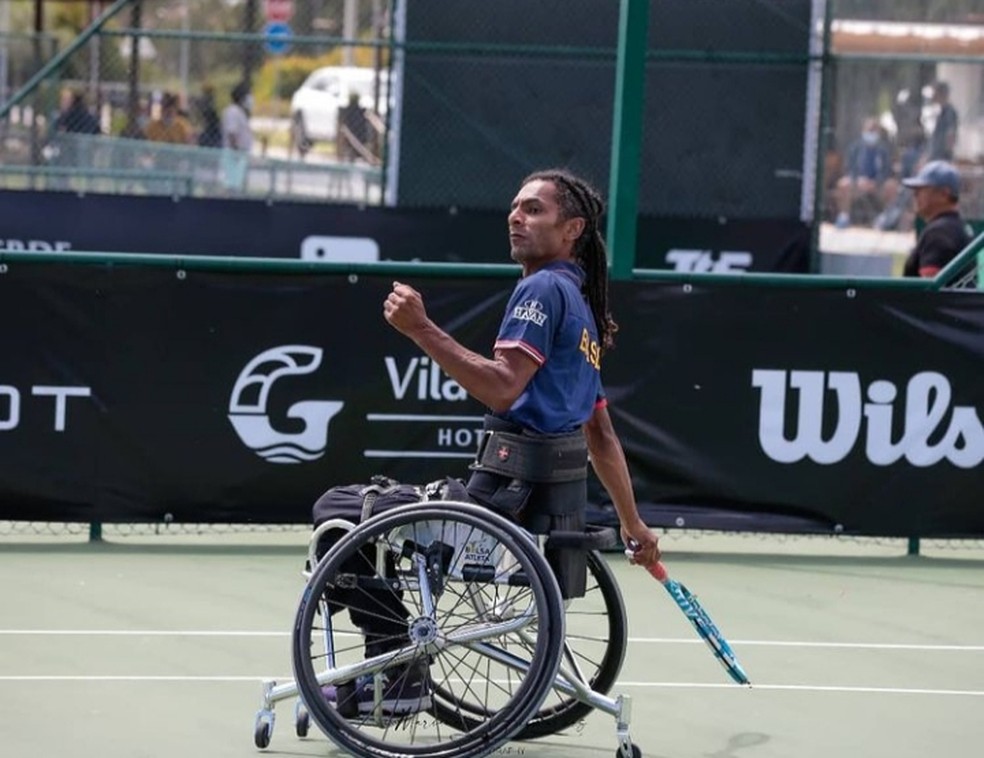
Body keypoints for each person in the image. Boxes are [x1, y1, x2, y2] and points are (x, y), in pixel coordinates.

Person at [901, 160, 973, 278]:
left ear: (944, 194)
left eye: (921, 189)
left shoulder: (939, 232)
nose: (915, 195)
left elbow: (931, 289)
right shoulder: (957, 227)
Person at [833, 116, 897, 228]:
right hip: (858, 184)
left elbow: (887, 170)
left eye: (874, 130)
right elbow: (849, 167)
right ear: (863, 131)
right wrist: (858, 180)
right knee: (843, 184)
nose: (871, 133)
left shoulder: (883, 150)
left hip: (877, 185)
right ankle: (844, 216)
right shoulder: (855, 148)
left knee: (892, 186)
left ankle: (885, 219)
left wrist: (876, 182)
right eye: (869, 130)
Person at [927, 81, 958, 162]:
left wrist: (947, 154)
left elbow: (951, 135)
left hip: (942, 157)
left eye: (935, 93)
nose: (933, 96)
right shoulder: (941, 112)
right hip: (936, 156)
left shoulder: (949, 112)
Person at [221, 81, 254, 154]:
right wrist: (237, 153)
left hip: (242, 155)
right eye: (249, 95)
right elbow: (232, 134)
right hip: (234, 156)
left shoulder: (241, 113)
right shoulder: (233, 111)